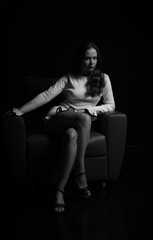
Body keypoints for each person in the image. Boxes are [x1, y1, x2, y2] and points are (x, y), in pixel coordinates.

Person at [13, 41, 115, 214]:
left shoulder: (103, 79)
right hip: (60, 117)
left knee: (72, 135)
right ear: (79, 60)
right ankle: (80, 173)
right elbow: (46, 95)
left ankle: (59, 191)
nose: (91, 63)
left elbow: (111, 105)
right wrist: (20, 110)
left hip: (81, 122)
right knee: (83, 119)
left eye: (94, 58)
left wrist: (89, 109)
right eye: (87, 58)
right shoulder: (69, 78)